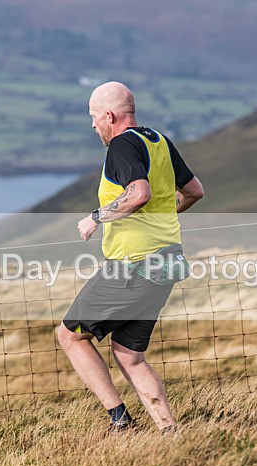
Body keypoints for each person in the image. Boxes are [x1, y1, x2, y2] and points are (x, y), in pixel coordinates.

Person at [57, 81, 205, 433]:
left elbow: (139, 193)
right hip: (167, 262)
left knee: (70, 336)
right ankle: (169, 431)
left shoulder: (122, 146)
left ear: (108, 115)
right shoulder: (159, 141)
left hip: (133, 265)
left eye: (94, 117)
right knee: (128, 353)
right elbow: (195, 191)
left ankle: (120, 423)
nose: (93, 125)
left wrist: (95, 218)